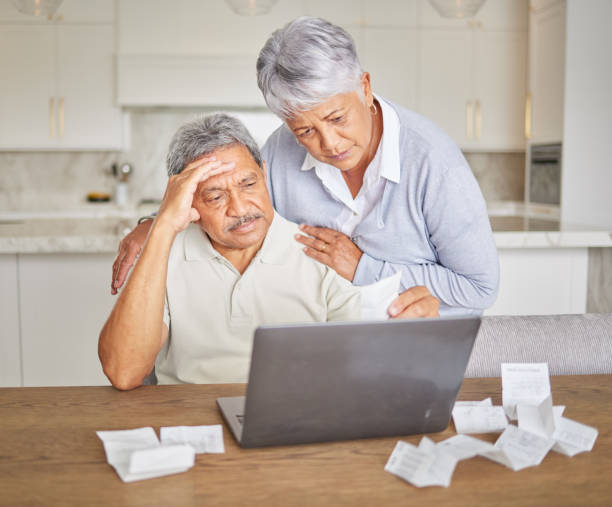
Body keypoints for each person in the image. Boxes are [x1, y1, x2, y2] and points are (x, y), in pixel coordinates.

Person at [111, 17, 499, 316]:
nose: (328, 145)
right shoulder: (281, 151)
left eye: (337, 119)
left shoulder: (434, 164)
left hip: (407, 345)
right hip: (315, 345)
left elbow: (480, 288)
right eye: (305, 130)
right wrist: (155, 223)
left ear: (364, 87)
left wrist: (364, 267)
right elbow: (236, 204)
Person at [99, 114, 440, 390]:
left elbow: (369, 370)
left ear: (263, 172)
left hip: (296, 425)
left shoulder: (321, 251)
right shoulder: (164, 255)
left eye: (248, 184)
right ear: (187, 201)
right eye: (215, 196)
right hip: (190, 426)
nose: (240, 207)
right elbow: (124, 372)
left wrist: (412, 337)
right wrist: (160, 228)